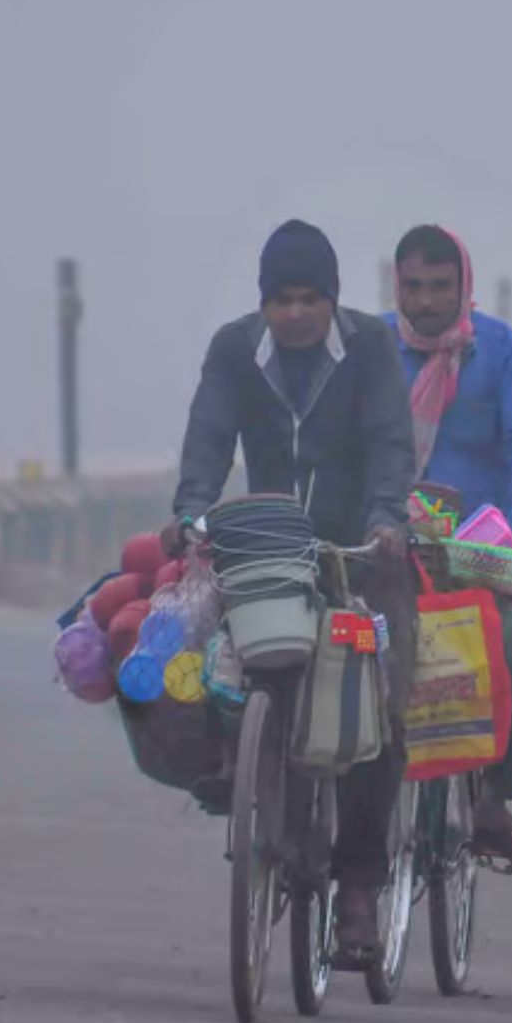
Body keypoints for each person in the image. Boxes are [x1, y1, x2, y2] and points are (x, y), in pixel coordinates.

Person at [167, 219, 416, 956]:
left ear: (333, 301)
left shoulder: (369, 346)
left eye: (311, 298)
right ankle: (241, 775)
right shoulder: (233, 350)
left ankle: (362, 890)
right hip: (268, 548)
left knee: (375, 710)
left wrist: (385, 521)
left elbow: (389, 441)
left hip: (360, 552)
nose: (297, 313)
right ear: (264, 303)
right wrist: (190, 513)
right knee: (223, 661)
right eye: (283, 299)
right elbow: (209, 436)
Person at [386, 224, 512, 877]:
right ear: (395, 285)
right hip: (387, 537)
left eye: (439, 287)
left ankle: (492, 802)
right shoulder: (371, 348)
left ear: (464, 286)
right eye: (413, 287)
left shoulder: (501, 352)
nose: (426, 302)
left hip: (481, 546)